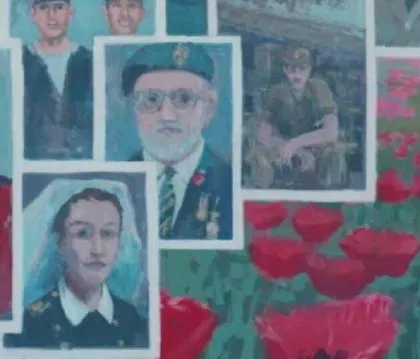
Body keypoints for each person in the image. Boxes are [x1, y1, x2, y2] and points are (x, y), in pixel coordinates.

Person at [6, 179, 149, 349]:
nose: (97, 250)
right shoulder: (29, 326)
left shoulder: (135, 323)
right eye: (83, 233)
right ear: (59, 242)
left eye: (108, 233)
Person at [121, 42, 233, 241]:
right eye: (151, 99)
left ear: (208, 109)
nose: (167, 116)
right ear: (134, 108)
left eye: (184, 99)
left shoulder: (230, 183)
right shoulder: (118, 180)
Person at [248, 46, 344, 190]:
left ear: (309, 70)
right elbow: (263, 135)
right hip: (284, 150)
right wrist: (293, 148)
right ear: (285, 70)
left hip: (315, 149)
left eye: (302, 69)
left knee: (334, 155)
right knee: (259, 158)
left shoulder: (319, 88)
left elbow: (331, 132)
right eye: (292, 69)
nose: (297, 74)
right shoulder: (276, 92)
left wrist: (296, 143)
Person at [22, 0, 94, 160]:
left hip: (82, 160)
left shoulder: (90, 61)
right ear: (33, 14)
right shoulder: (21, 61)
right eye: (44, 8)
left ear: (70, 13)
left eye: (59, 7)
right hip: (33, 162)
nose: (51, 16)